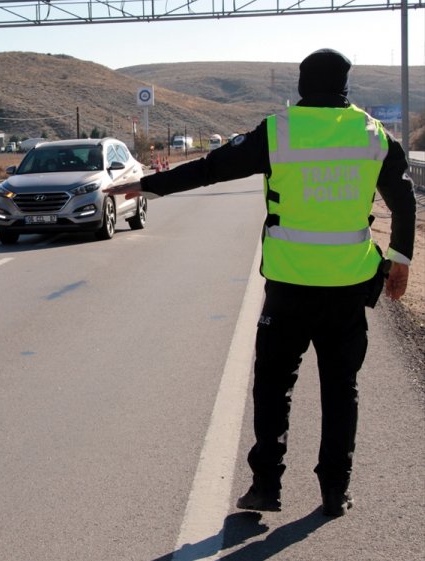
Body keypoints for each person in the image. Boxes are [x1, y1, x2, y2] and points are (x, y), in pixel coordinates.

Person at [105, 48, 416, 517]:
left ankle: (266, 487)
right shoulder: (373, 135)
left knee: (273, 386)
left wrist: (148, 185)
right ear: (346, 86)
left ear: (301, 85)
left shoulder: (279, 131)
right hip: (348, 288)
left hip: (289, 286)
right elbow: (405, 199)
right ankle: (335, 491)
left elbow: (211, 168)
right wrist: (400, 261)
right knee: (340, 388)